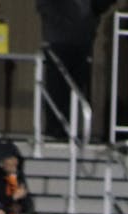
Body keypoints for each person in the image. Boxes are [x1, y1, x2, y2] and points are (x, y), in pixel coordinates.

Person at [36, 0, 100, 140]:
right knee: (56, 86)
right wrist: (59, 21)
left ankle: (73, 129)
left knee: (78, 86)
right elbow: (43, 5)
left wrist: (92, 18)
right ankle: (55, 129)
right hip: (57, 38)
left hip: (83, 38)